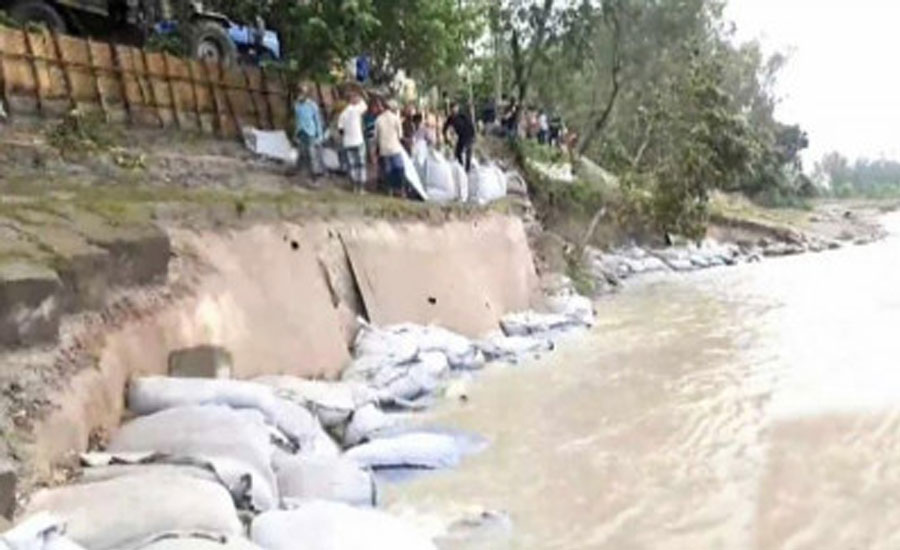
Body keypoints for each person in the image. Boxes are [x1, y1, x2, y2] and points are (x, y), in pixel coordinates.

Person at [337, 91, 369, 193]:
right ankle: (361, 187)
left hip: (348, 142)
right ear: (352, 100)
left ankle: (355, 186)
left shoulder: (343, 113)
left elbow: (340, 129)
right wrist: (361, 97)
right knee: (361, 164)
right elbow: (365, 106)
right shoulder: (356, 110)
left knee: (352, 165)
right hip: (358, 140)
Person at [375, 99, 407, 197]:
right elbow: (400, 135)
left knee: (388, 170)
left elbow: (376, 136)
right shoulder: (395, 118)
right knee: (399, 169)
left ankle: (390, 190)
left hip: (384, 149)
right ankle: (401, 190)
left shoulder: (378, 119)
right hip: (395, 148)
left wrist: (377, 148)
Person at [293, 85, 325, 181]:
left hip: (311, 132)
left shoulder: (312, 105)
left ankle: (315, 175)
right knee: (302, 152)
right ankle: (299, 171)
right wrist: (295, 134)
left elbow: (317, 120)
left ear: (306, 95)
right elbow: (297, 120)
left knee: (312, 154)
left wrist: (320, 135)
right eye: (299, 93)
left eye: (302, 93)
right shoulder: (296, 105)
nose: (300, 95)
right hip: (301, 132)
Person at [443, 102, 476, 172]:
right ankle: (461, 167)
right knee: (457, 153)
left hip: (468, 135)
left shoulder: (462, 116)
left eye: (455, 108)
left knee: (468, 153)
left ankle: (467, 169)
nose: (453, 110)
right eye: (452, 109)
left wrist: (473, 136)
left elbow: (470, 124)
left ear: (457, 108)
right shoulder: (450, 118)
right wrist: (446, 138)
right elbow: (444, 128)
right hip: (461, 137)